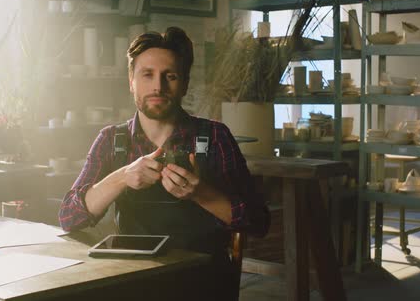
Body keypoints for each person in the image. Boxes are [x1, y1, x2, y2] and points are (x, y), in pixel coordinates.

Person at [59, 27, 270, 299]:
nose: (158, 86)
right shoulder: (112, 140)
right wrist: (122, 177)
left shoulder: (215, 136)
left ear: (184, 83)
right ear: (131, 81)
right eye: (147, 75)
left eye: (169, 76)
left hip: (200, 281)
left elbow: (258, 222)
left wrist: (200, 193)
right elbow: (69, 218)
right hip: (131, 279)